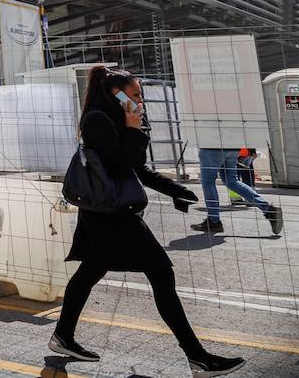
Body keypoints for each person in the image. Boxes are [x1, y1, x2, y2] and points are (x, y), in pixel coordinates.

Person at [50, 66, 246, 377]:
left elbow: (136, 169)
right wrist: (132, 126)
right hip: (111, 216)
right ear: (117, 95)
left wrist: (175, 190)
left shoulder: (112, 119)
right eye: (136, 94)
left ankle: (63, 337)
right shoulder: (98, 120)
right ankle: (198, 358)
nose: (142, 100)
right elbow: (121, 165)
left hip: (106, 212)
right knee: (160, 273)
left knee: (90, 271)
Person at [191, 144, 282, 237]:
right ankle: (268, 209)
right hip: (232, 147)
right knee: (231, 181)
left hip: (212, 147)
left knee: (208, 182)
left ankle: (213, 220)